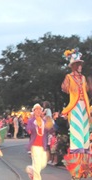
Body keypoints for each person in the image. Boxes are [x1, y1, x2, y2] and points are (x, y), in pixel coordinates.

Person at [61, 48, 92, 179]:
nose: (80, 66)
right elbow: (65, 88)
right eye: (77, 64)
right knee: (77, 140)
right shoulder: (69, 77)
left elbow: (86, 90)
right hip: (74, 109)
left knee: (85, 140)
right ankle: (76, 170)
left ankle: (84, 168)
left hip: (84, 108)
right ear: (73, 66)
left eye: (81, 64)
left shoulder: (84, 78)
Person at [25, 103, 54, 180]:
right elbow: (28, 129)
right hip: (35, 145)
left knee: (43, 164)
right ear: (34, 111)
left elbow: (50, 130)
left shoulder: (44, 121)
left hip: (43, 145)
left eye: (39, 109)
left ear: (41, 111)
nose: (38, 111)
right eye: (36, 109)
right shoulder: (31, 120)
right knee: (37, 164)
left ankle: (31, 169)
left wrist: (51, 125)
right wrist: (30, 128)